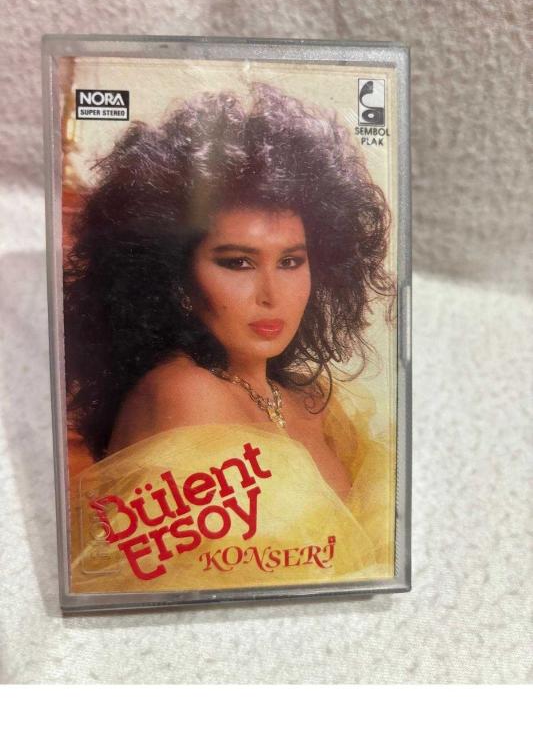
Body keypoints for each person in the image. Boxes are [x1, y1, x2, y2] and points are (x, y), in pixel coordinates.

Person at [64, 84, 396, 593]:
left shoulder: (308, 398)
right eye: (238, 263)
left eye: (291, 261)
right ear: (176, 277)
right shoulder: (184, 392)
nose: (272, 295)